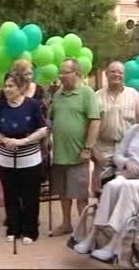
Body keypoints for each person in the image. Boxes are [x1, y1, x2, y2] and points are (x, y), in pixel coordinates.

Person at [73, 98, 139, 261]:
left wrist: (138, 171)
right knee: (112, 185)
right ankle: (92, 237)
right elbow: (118, 155)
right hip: (127, 175)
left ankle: (113, 245)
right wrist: (127, 163)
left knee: (128, 188)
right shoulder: (134, 130)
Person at [0, 72, 48, 244]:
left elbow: (43, 129)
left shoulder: (33, 105)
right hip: (6, 159)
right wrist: (4, 139)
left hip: (29, 158)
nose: (7, 89)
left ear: (21, 87)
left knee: (30, 196)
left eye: (11, 86)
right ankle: (13, 228)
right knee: (11, 195)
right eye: (6, 86)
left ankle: (30, 230)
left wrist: (24, 141)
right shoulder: (0, 106)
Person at [50, 58, 100, 236]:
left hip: (79, 154)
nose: (61, 76)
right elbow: (52, 119)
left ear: (77, 73)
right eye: (60, 72)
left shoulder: (86, 93)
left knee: (80, 194)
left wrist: (88, 147)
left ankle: (83, 229)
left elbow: (95, 121)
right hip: (59, 154)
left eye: (65, 72)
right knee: (63, 193)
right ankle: (66, 224)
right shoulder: (57, 94)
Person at [92, 61, 139, 194]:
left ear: (124, 75)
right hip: (104, 151)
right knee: (102, 191)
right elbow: (90, 126)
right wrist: (94, 152)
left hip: (128, 151)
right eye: (113, 71)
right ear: (106, 74)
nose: (116, 74)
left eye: (120, 72)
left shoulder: (134, 95)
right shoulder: (96, 97)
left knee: (126, 191)